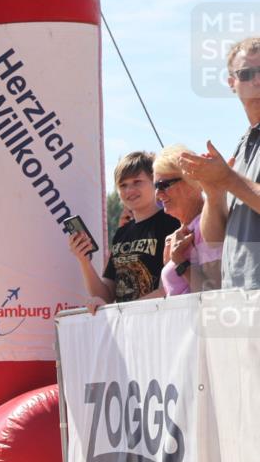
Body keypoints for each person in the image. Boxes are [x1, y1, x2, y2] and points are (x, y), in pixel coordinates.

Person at [182, 36, 260, 290]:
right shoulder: (242, 145)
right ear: (232, 83)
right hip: (238, 298)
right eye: (247, 74)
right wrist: (213, 193)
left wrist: (226, 178)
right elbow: (216, 240)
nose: (257, 81)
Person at [68, 151, 180, 310]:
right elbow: (106, 294)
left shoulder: (172, 223)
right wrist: (84, 261)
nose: (129, 190)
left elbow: (169, 288)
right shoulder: (122, 233)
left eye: (137, 182)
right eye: (123, 185)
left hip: (158, 324)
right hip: (125, 326)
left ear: (154, 181)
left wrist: (123, 311)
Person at [152, 145, 223, 295]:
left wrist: (180, 262)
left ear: (191, 183)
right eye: (155, 186)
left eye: (163, 185)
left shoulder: (207, 226)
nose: (157, 194)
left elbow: (215, 293)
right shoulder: (183, 233)